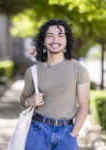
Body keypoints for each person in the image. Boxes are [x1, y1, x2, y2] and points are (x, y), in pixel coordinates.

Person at [20, 19, 90, 150]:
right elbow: (23, 100)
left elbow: (83, 106)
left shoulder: (79, 69)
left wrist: (73, 133)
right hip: (37, 131)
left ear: (67, 40)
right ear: (43, 41)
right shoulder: (33, 72)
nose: (55, 40)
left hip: (67, 133)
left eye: (60, 35)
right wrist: (29, 101)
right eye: (50, 36)